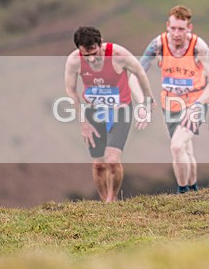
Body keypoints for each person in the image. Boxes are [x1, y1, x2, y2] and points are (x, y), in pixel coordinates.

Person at [64, 26, 154, 202]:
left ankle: (111, 200)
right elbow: (71, 91)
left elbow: (139, 72)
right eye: (85, 55)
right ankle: (104, 201)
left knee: (112, 159)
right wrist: (83, 122)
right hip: (94, 112)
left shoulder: (118, 54)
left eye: (94, 53)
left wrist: (148, 99)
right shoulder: (74, 61)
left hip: (120, 110)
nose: (91, 59)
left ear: (101, 44)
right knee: (98, 165)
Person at [135, 5, 209, 194]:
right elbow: (136, 74)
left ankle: (182, 193)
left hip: (195, 104)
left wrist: (197, 105)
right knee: (186, 150)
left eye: (181, 29)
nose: (176, 33)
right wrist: (142, 102)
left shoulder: (199, 47)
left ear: (189, 28)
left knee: (176, 146)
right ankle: (194, 191)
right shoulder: (158, 44)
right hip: (170, 104)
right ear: (167, 26)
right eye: (173, 28)